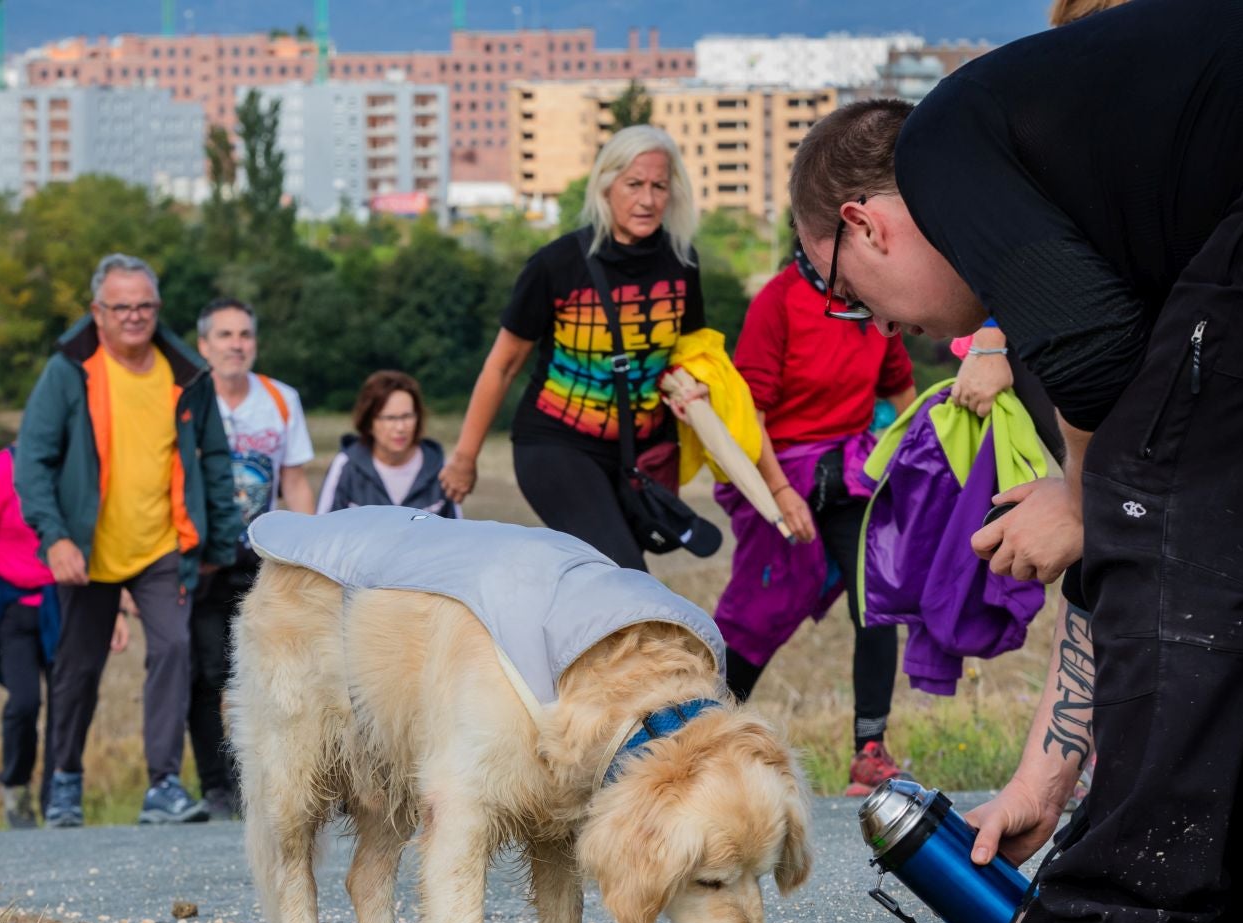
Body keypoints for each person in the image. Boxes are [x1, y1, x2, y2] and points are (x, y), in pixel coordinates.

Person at [786, 0, 1243, 923]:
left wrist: (1089, 495)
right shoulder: (1091, 198)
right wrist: (1046, 772)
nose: (880, 327)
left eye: (841, 288)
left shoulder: (944, 149)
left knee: (1167, 504)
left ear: (867, 223)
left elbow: (1131, 459)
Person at [13, 253, 241, 828]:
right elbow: (32, 463)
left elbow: (215, 458)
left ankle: (163, 784)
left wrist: (215, 543)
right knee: (77, 669)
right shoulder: (69, 371)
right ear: (98, 311)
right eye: (122, 307)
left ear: (157, 309)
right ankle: (64, 782)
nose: (135, 316)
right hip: (86, 552)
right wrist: (55, 537)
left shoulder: (186, 374)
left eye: (145, 305)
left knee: (174, 652)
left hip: (163, 546)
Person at [442, 125, 707, 570]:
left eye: (659, 186)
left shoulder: (682, 263)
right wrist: (465, 458)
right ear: (605, 185)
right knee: (624, 573)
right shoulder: (557, 264)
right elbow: (504, 366)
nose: (647, 200)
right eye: (634, 184)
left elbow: (690, 353)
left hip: (638, 457)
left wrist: (695, 388)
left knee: (599, 577)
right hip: (557, 444)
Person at [716, 242, 918, 796]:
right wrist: (781, 493)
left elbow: (900, 387)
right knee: (757, 617)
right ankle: (702, 742)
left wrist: (923, 458)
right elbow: (748, 415)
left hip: (849, 474)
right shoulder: (777, 303)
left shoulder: (879, 302)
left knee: (876, 597)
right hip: (777, 473)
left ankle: (869, 751)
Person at [186, 298, 315, 820]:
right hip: (203, 557)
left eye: (245, 335)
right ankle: (216, 787)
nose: (236, 344)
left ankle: (268, 782)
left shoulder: (281, 400)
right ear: (203, 345)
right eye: (224, 335)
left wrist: (305, 554)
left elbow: (295, 481)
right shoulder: (189, 403)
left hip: (263, 557)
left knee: (270, 672)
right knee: (206, 672)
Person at [0, 445, 127, 829]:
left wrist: (115, 608)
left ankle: (58, 799)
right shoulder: (6, 467)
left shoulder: (83, 466)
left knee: (67, 703)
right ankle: (15, 788)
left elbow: (103, 538)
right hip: (12, 605)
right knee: (24, 702)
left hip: (71, 602)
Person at [318, 371, 461, 519]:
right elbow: (323, 532)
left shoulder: (440, 465)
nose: (400, 428)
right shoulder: (346, 466)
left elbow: (456, 533)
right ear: (369, 422)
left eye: (407, 416)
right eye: (390, 418)